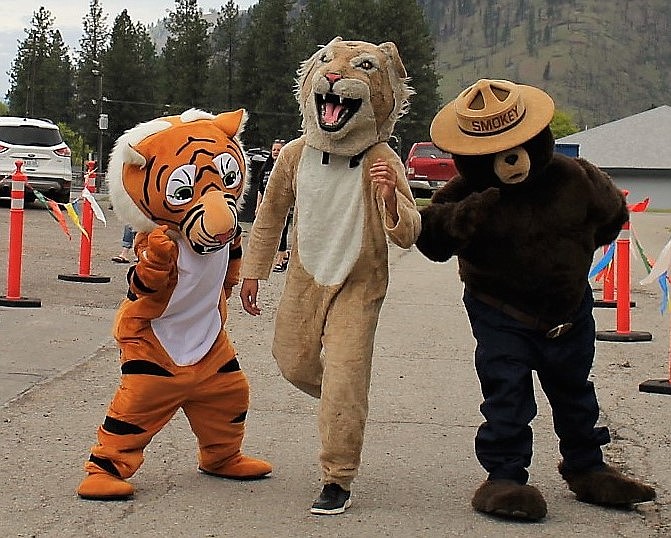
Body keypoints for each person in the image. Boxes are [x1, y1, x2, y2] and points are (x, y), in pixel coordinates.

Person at [256, 139, 290, 272]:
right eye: (274, 150)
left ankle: (280, 259)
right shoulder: (266, 169)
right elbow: (260, 188)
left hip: (282, 206)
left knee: (282, 232)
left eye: (278, 150)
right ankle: (283, 255)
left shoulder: (286, 168)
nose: (275, 152)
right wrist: (258, 206)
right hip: (266, 206)